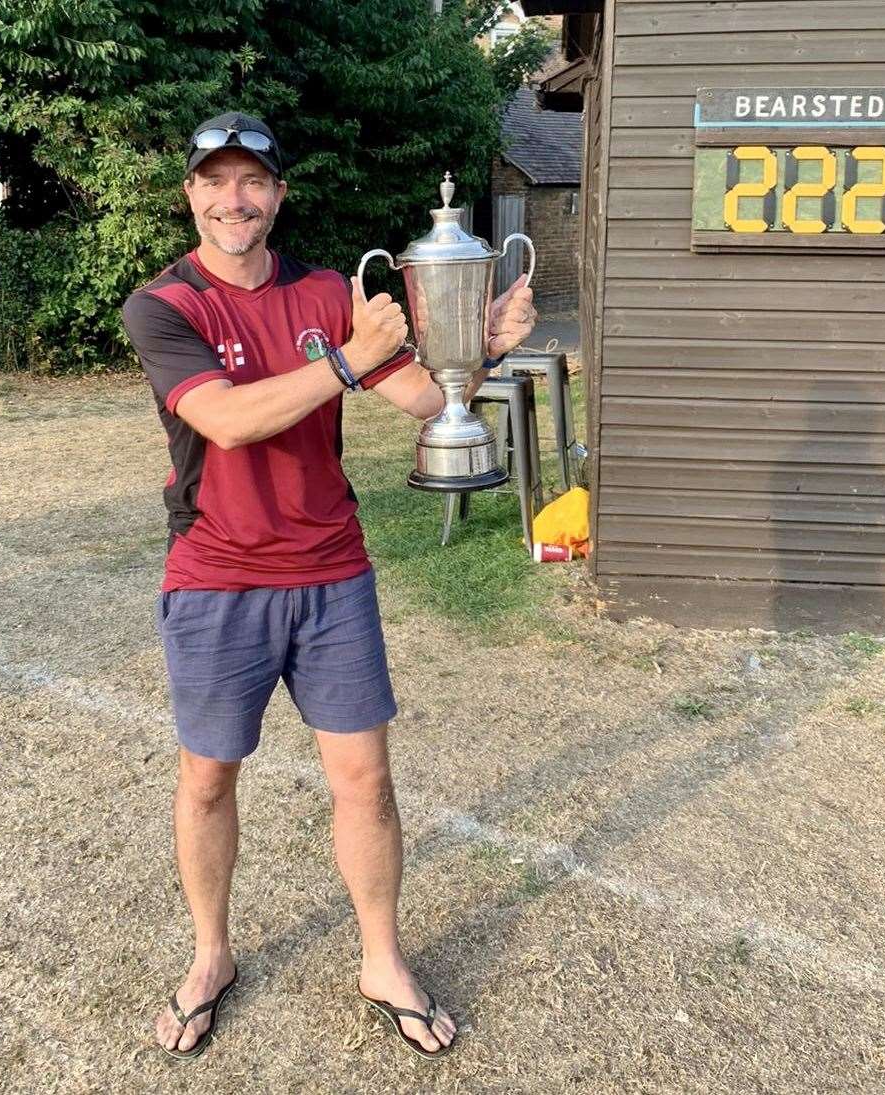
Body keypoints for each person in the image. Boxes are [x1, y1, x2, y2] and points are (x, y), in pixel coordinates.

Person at [121, 111, 537, 1062]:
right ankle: (211, 953)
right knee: (208, 778)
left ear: (278, 194)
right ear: (191, 193)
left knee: (367, 781)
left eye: (254, 182)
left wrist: (485, 348)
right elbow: (227, 422)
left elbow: (426, 399)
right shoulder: (165, 305)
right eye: (216, 182)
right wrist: (341, 359)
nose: (236, 200)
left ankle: (382, 959)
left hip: (331, 573)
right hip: (217, 577)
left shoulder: (322, 291)